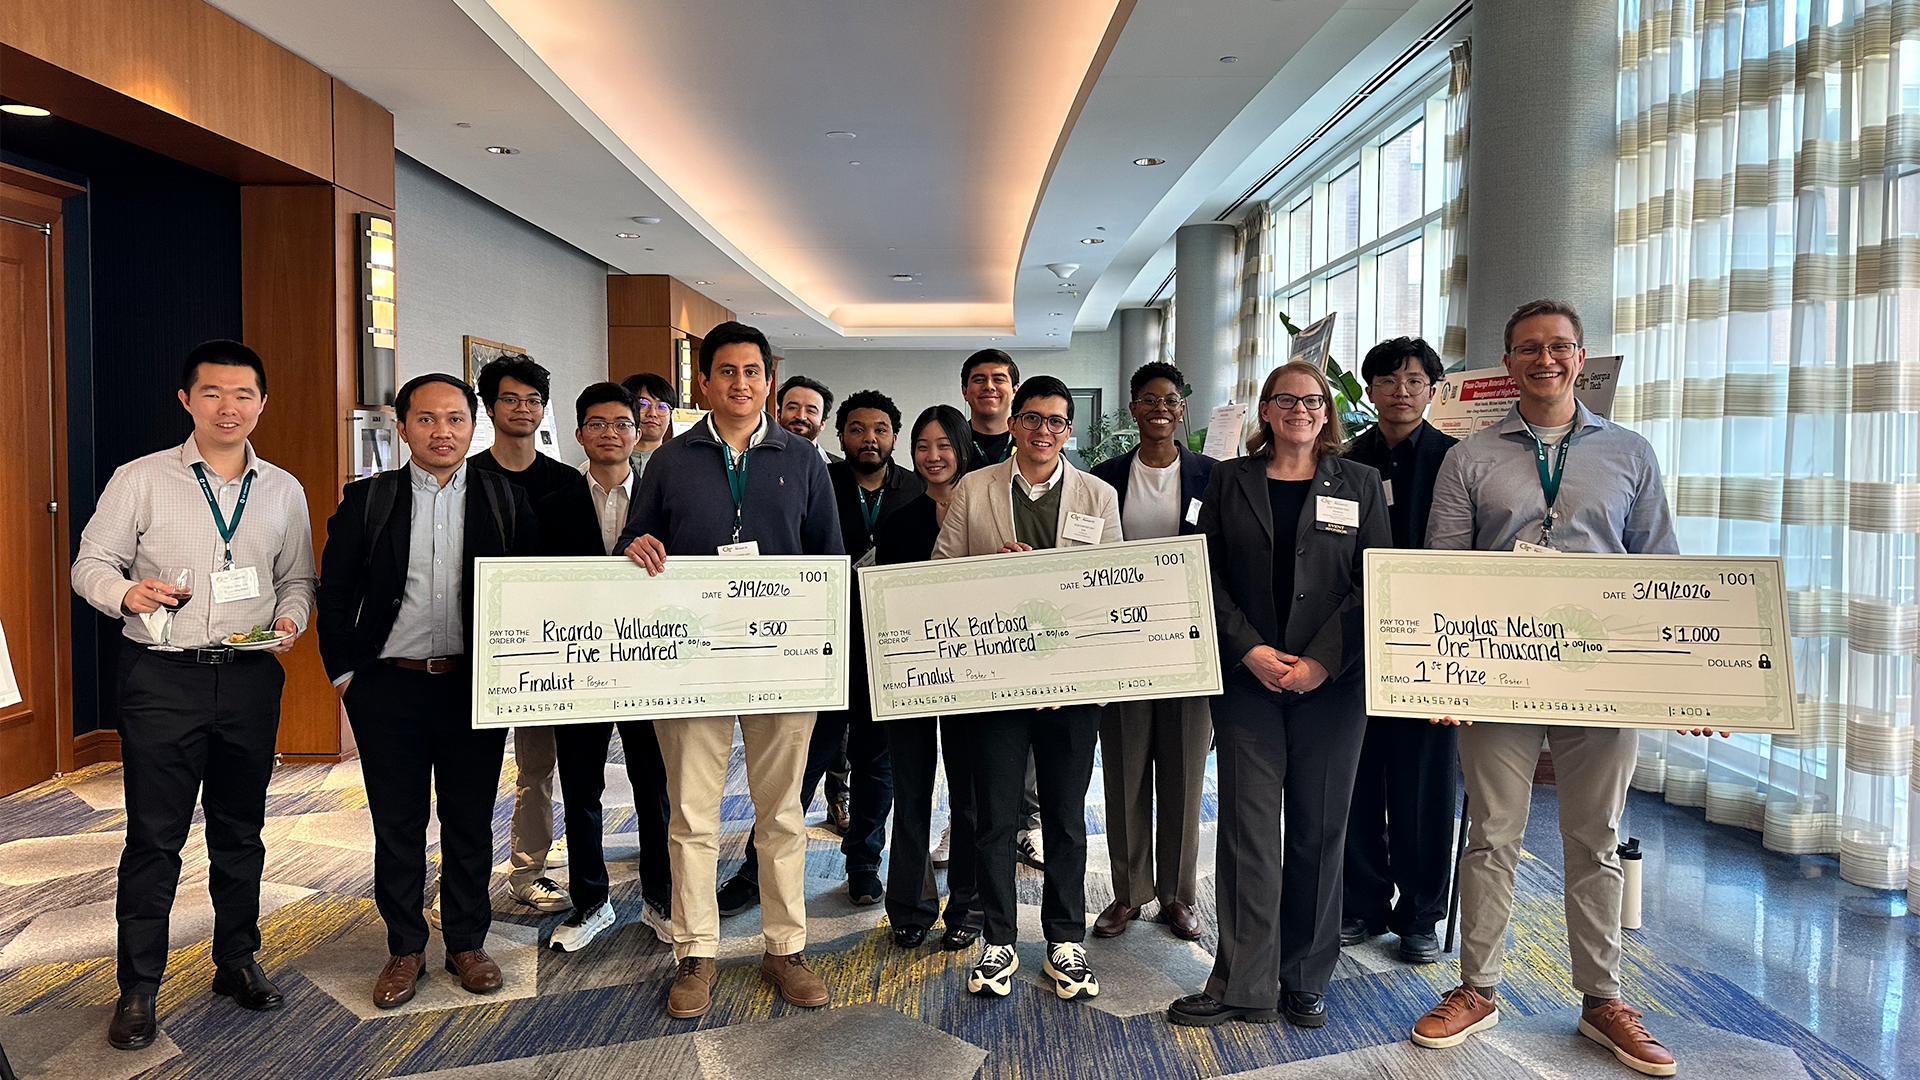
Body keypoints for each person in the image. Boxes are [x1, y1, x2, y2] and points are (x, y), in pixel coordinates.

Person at [1411, 300, 1690, 1078]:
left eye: (1558, 347)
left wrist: (1688, 688)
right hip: (1497, 673)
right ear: (1509, 363)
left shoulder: (1630, 453)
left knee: (1594, 838)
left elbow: (1660, 571)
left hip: (1600, 677)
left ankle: (1602, 1001)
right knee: (1493, 835)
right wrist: (1443, 672)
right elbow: (1443, 573)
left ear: (1581, 356)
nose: (1545, 359)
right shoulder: (1470, 459)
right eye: (1528, 348)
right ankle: (1477, 988)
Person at [72, 341, 316, 1052]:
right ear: (187, 401)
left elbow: (298, 578)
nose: (228, 407)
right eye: (212, 393)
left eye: (242, 395)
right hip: (162, 676)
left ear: (262, 404)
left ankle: (236, 959)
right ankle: (138, 986)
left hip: (248, 679)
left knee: (240, 830)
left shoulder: (284, 489)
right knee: (155, 838)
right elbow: (91, 561)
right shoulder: (140, 479)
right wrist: (125, 591)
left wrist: (294, 618)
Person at [617, 321, 843, 1020]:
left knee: (780, 812)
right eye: (727, 372)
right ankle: (696, 953)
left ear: (768, 381)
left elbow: (827, 561)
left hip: (782, 660)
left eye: (753, 371)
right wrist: (638, 545)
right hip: (692, 661)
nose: (740, 383)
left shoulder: (803, 459)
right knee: (690, 815)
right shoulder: (670, 460)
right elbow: (633, 538)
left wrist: (822, 659)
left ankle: (786, 948)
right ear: (704, 382)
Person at [1167, 360, 1389, 1031]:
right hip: (1246, 683)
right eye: (1285, 399)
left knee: (1321, 833)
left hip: (1333, 687)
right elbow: (1200, 573)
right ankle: (1242, 980)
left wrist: (1321, 662)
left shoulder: (1362, 483)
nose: (1300, 409)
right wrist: (1249, 650)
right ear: (1266, 410)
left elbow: (1375, 579)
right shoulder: (1227, 480)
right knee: (1249, 834)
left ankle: (1305, 978)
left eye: (1313, 399)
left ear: (1328, 411)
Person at [317, 373, 539, 1010]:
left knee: (469, 819)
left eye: (456, 419)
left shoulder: (504, 498)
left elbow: (532, 588)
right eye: (427, 420)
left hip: (473, 685)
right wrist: (346, 674)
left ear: (475, 426)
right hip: (388, 686)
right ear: (402, 425)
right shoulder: (368, 500)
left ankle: (467, 942)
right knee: (398, 821)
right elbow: (334, 596)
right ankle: (404, 946)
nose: (443, 432)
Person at [933, 375, 1122, 1002]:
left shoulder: (1097, 495)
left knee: (1067, 817)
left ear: (1069, 430)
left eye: (1057, 421)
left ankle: (1065, 939)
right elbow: (940, 576)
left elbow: (1111, 587)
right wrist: (988, 569)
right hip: (997, 682)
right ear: (1012, 423)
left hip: (1071, 685)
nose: (1044, 430)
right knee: (995, 816)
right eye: (1033, 417)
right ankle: (999, 940)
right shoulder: (973, 488)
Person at [718, 390, 923, 913]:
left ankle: (863, 864)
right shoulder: (816, 480)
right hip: (820, 649)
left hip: (887, 655)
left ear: (894, 437)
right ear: (840, 435)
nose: (869, 439)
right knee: (800, 762)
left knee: (876, 766)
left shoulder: (917, 492)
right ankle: (757, 868)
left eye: (880, 429)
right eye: (857, 429)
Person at [534, 383, 675, 952]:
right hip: (580, 666)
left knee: (654, 785)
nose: (611, 433)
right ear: (579, 433)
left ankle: (660, 898)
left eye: (622, 423)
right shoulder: (552, 501)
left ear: (638, 431)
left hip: (651, 665)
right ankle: (591, 902)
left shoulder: (666, 498)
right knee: (581, 785)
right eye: (597, 424)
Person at [1338, 337, 1460, 965]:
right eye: (1388, 380)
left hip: (1431, 645)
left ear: (1433, 389)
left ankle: (1420, 914)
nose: (1402, 391)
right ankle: (1360, 902)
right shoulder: (1343, 460)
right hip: (1356, 640)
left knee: (1424, 783)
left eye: (1415, 380)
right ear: (1370, 388)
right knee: (1357, 776)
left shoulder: (1458, 459)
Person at [1088, 361, 1216, 943]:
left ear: (1182, 408)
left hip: (1191, 647)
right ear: (1134, 409)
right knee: (1125, 769)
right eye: (1147, 399)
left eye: (1170, 398)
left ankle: (1178, 896)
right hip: (1121, 648)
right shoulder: (1103, 478)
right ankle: (1129, 893)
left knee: (1186, 774)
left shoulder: (1215, 477)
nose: (1159, 407)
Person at [469, 354, 578, 917]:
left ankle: (527, 870)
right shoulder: (465, 479)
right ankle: (458, 881)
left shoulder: (565, 482)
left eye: (533, 400)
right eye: (511, 399)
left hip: (544, 652)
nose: (523, 409)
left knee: (536, 766)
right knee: (466, 775)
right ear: (489, 408)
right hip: (474, 649)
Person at [875, 405, 983, 952]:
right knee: (912, 793)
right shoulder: (898, 520)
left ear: (962, 448)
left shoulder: (990, 513)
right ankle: (910, 905)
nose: (933, 456)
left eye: (944, 445)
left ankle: (967, 904)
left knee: (969, 796)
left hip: (973, 677)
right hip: (911, 677)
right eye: (922, 446)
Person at [958, 348, 1045, 869]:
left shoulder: (1041, 451)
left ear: (1013, 392)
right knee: (979, 748)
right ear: (965, 389)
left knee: (1032, 737)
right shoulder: (955, 449)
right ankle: (967, 826)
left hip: (1040, 624)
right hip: (976, 624)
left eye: (999, 379)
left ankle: (1025, 823)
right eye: (978, 379)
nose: (989, 386)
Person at [620, 371, 677, 481]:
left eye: (662, 406)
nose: (652, 413)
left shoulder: (681, 465)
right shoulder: (602, 465)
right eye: (643, 404)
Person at [776, 374, 837, 463]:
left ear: (823, 422)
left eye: (811, 411)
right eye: (793, 408)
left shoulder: (842, 472)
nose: (801, 417)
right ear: (778, 415)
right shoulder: (760, 461)